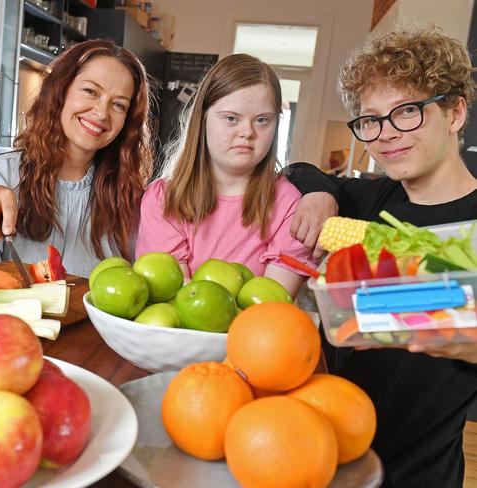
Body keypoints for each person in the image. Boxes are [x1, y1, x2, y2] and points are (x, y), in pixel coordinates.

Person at [285, 27, 477, 488]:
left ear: (455, 112)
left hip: (420, 473)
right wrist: (319, 194)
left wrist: (455, 331)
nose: (386, 134)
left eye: (407, 111)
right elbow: (296, 167)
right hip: (326, 457)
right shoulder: (365, 198)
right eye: (370, 119)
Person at [0, 39, 153, 278]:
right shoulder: (0, 175)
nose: (101, 112)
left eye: (118, 105)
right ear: (61, 90)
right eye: (90, 91)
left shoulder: (132, 198)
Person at [135, 54, 316, 297]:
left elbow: (270, 305)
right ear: (203, 118)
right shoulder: (162, 199)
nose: (247, 132)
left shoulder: (292, 205)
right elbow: (176, 297)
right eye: (231, 118)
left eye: (262, 120)